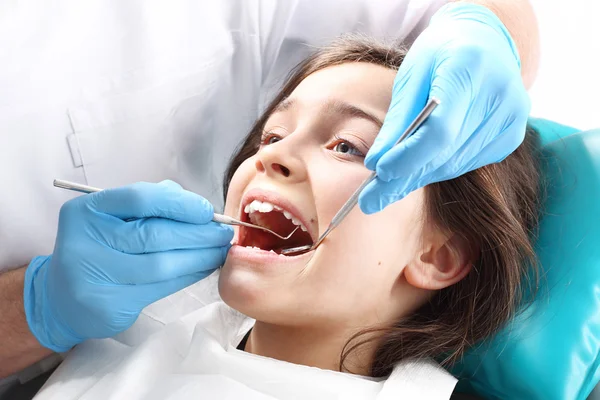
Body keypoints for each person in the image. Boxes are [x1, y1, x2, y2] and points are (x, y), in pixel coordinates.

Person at [0, 0, 540, 394]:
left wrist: (486, 28)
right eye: (272, 135)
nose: (267, 158)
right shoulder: (125, 346)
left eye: (347, 146)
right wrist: (39, 306)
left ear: (438, 255)